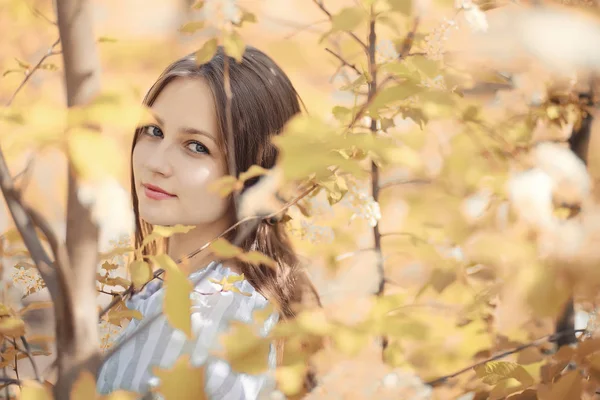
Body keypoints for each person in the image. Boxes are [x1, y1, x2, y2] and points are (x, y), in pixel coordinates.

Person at [96, 46, 320, 399]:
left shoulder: (219, 318)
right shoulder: (162, 289)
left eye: (196, 146)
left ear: (252, 172)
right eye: (154, 131)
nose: (157, 161)